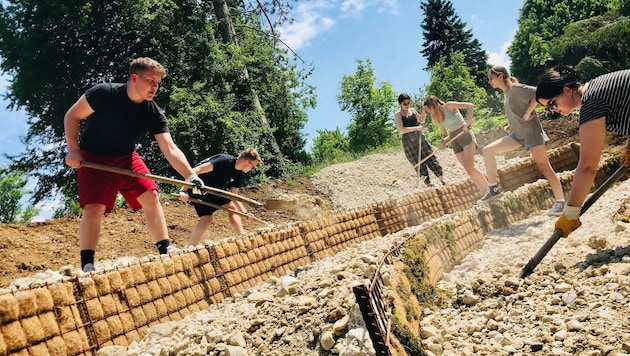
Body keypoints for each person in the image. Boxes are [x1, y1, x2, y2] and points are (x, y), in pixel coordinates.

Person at [64, 57, 204, 272]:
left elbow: (170, 148)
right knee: (94, 207)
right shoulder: (104, 93)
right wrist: (73, 150)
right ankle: (88, 264)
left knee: (151, 194)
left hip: (126, 158)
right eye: (151, 80)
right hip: (93, 157)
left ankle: (165, 248)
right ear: (134, 78)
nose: (155, 87)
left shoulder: (153, 111)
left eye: (158, 83)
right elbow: (72, 116)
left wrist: (191, 176)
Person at [535, 66, 630, 238]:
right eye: (548, 108)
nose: (553, 110)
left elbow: (587, 166)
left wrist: (571, 212)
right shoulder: (598, 88)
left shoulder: (592, 102)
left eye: (552, 103)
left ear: (566, 90)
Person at [480, 65, 566, 215]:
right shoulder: (507, 93)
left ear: (500, 76)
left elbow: (537, 93)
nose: (489, 81)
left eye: (491, 78)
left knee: (544, 167)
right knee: (487, 151)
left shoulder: (516, 88)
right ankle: (493, 188)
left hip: (531, 133)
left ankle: (561, 202)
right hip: (517, 135)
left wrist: (528, 112)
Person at [178, 148, 261, 246]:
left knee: (232, 207)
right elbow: (196, 170)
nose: (252, 170)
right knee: (206, 218)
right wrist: (183, 191)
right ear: (246, 161)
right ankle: (190, 247)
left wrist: (245, 213)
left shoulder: (238, 173)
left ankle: (242, 238)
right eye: (252, 167)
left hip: (213, 191)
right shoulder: (224, 161)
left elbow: (234, 196)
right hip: (198, 189)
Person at [422, 95, 488, 195]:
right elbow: (445, 135)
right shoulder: (438, 117)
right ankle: (484, 192)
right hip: (455, 141)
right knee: (468, 169)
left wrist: (469, 123)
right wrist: (442, 142)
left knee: (470, 167)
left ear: (434, 105)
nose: (428, 111)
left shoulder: (449, 106)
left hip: (465, 135)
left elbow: (470, 106)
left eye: (428, 108)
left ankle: (489, 189)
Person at [394, 93, 447, 187]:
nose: (407, 105)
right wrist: (416, 128)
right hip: (408, 141)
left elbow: (422, 120)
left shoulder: (413, 111)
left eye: (408, 103)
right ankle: (428, 183)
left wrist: (423, 109)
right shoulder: (398, 114)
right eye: (404, 104)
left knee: (430, 156)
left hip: (419, 137)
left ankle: (442, 178)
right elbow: (401, 129)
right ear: (400, 104)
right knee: (417, 162)